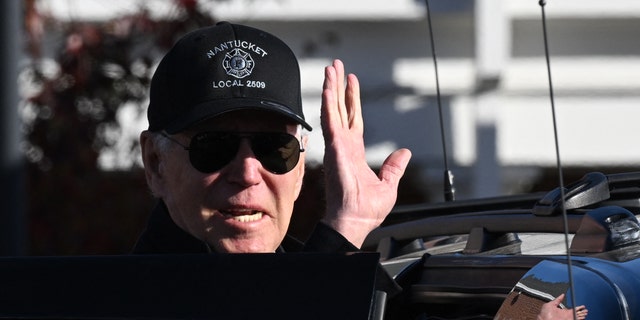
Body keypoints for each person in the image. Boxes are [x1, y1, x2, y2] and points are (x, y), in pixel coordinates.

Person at [133, 21, 410, 271]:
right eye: (214, 146)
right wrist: (342, 235)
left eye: (275, 148)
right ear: (156, 163)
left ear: (300, 169)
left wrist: (350, 223)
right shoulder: (111, 301)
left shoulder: (374, 291)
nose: (248, 174)